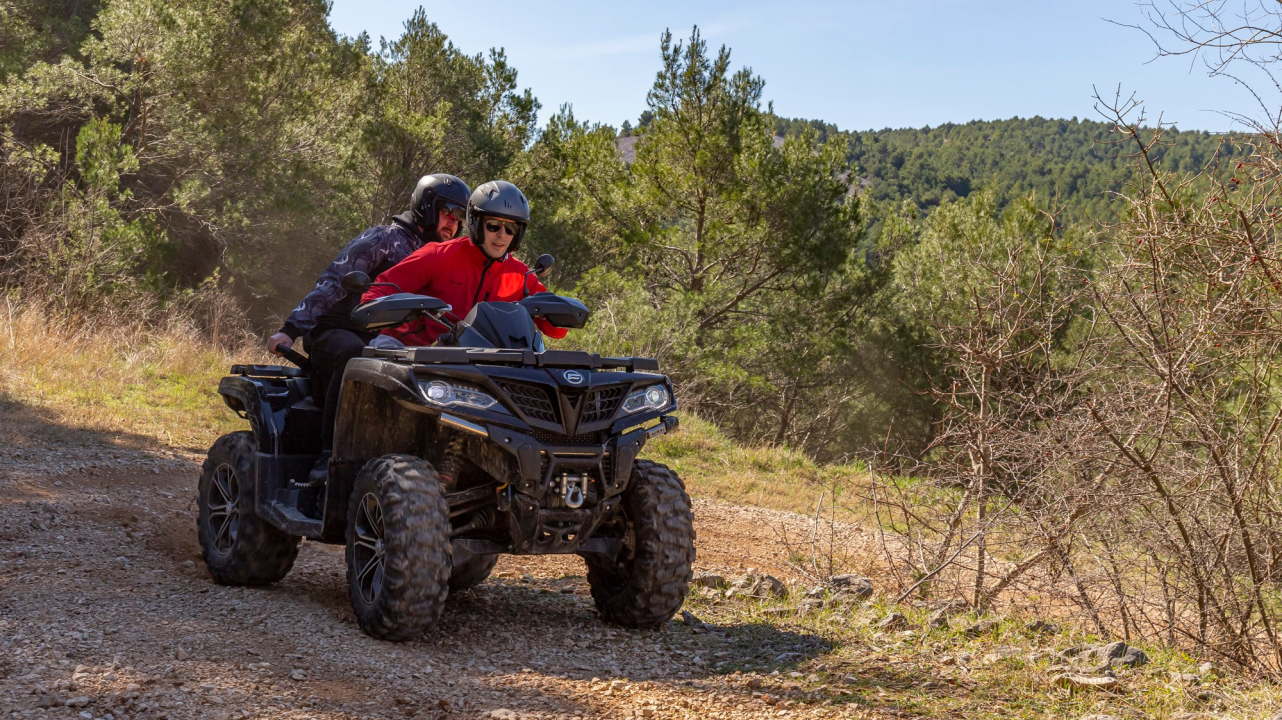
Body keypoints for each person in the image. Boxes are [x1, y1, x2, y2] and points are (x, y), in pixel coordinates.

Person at [267, 174, 470, 483]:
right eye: (446, 211)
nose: (452, 222)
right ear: (426, 207)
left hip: (397, 344)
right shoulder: (385, 239)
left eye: (459, 217)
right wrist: (291, 329)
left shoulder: (449, 258)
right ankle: (330, 454)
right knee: (357, 355)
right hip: (339, 331)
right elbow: (334, 280)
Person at [361, 180, 567, 347]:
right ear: (476, 224)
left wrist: (559, 311)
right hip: (414, 352)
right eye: (494, 226)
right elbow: (378, 293)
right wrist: (392, 310)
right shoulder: (438, 255)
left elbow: (557, 330)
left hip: (483, 363)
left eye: (511, 229)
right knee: (382, 354)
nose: (502, 236)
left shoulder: (522, 277)